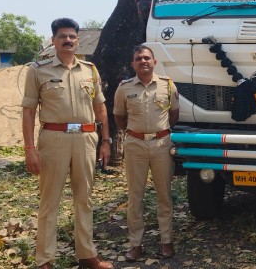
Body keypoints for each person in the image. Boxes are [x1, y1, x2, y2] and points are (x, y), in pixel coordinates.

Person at [22, 18, 113, 269]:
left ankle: (87, 256)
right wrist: (30, 149)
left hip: (85, 139)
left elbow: (100, 107)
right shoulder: (39, 71)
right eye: (62, 36)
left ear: (78, 40)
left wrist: (105, 140)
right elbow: (28, 111)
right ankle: (45, 261)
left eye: (72, 36)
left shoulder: (89, 70)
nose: (68, 40)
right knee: (50, 201)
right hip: (54, 139)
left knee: (84, 199)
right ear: (53, 41)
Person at [114, 45, 180, 261]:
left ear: (154, 61)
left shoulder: (167, 85)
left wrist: (157, 133)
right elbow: (120, 118)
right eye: (138, 59)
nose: (143, 61)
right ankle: (136, 244)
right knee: (135, 196)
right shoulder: (124, 88)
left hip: (161, 144)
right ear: (132, 63)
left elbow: (174, 114)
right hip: (135, 146)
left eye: (146, 58)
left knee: (164, 194)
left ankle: (166, 241)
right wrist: (138, 134)